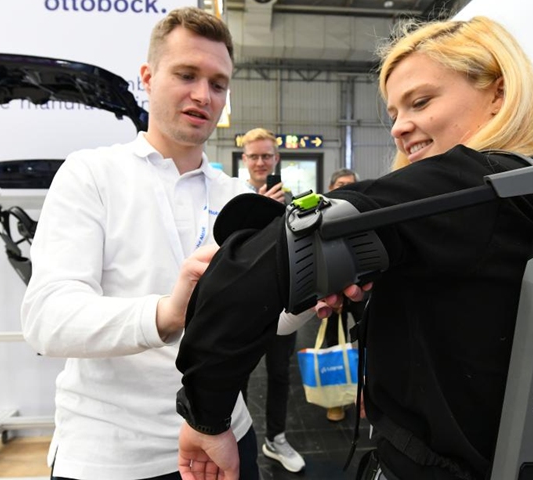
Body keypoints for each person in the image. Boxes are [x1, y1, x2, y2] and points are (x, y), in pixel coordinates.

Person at [174, 17, 533, 480]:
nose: (400, 127)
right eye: (394, 112)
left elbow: (265, 259)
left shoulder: (458, 185)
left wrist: (206, 415)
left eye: (420, 102)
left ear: (498, 94)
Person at [21, 7, 309, 479]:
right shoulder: (91, 174)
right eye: (187, 75)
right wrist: (166, 312)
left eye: (218, 84)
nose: (203, 95)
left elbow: (272, 321)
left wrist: (309, 291)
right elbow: (47, 319)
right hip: (111, 457)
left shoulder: (237, 197)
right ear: (148, 78)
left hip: (225, 436)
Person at [239, 127, 306, 472]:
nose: (261, 162)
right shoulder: (233, 199)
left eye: (267, 155)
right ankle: (239, 436)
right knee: (239, 374)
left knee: (280, 373)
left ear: (276, 159)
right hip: (243, 305)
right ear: (245, 160)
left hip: (282, 303)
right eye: (255, 156)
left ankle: (275, 438)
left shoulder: (294, 200)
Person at [322, 168, 365, 423]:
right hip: (332, 292)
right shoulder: (321, 215)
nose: (345, 187)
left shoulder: (361, 213)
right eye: (340, 184)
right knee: (333, 346)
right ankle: (336, 401)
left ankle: (364, 394)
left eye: (351, 184)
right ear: (331, 186)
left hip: (362, 290)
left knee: (368, 339)